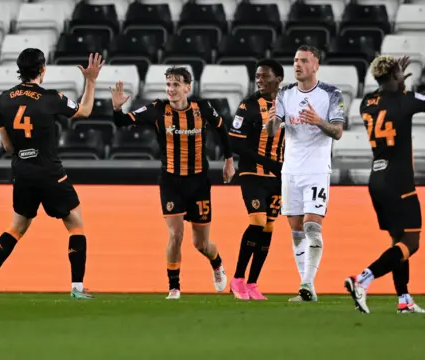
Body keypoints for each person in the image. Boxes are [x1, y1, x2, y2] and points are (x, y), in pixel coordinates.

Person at [0, 50, 103, 300]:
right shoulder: (51, 98)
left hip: (22, 172)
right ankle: (77, 288)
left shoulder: (3, 99)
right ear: (42, 69)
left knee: (17, 227)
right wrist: (92, 80)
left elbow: (8, 147)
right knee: (75, 223)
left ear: (20, 70)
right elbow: (85, 111)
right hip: (49, 170)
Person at [111, 66, 235, 300]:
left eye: (176, 84)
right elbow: (121, 122)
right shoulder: (157, 109)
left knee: (201, 244)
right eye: (168, 84)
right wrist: (117, 108)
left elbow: (222, 130)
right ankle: (174, 286)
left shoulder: (203, 108)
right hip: (170, 182)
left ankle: (216, 263)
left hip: (199, 182)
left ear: (188, 87)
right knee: (176, 235)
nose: (171, 89)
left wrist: (229, 161)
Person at [344, 56, 425, 314]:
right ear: (393, 78)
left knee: (398, 243)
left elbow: (388, 96)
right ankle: (362, 279)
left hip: (377, 179)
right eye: (400, 75)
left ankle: (404, 298)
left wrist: (397, 80)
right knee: (412, 243)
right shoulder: (405, 100)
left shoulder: (366, 103)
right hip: (400, 180)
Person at [265, 45, 345, 302]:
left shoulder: (331, 94)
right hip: (290, 171)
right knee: (296, 230)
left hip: (317, 170)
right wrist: (271, 122)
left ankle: (308, 282)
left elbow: (338, 132)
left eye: (303, 61)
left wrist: (319, 121)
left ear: (316, 65)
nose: (297, 65)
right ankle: (305, 287)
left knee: (312, 226)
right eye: (295, 60)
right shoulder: (284, 93)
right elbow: (272, 131)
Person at [229, 59, 285, 300]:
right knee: (258, 221)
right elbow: (235, 141)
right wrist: (268, 162)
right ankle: (238, 278)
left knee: (269, 226)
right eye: (257, 76)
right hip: (253, 172)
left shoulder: (287, 104)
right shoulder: (249, 105)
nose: (259, 80)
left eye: (264, 76)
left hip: (279, 175)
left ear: (278, 79)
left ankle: (253, 283)